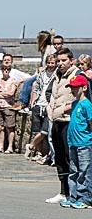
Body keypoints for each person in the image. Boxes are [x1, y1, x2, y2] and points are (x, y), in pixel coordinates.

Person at [45, 47, 80, 204]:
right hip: (56, 120)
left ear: (71, 61)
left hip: (69, 121)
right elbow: (48, 92)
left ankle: (75, 191)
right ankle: (63, 191)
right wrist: (50, 107)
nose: (60, 63)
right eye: (58, 61)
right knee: (59, 158)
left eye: (64, 60)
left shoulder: (77, 75)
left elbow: (83, 96)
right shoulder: (56, 75)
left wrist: (67, 107)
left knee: (69, 157)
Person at [60, 74, 92, 208]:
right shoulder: (74, 104)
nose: (72, 90)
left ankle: (85, 198)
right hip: (73, 143)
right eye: (71, 87)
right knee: (73, 170)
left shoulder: (87, 105)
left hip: (84, 143)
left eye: (75, 87)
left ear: (83, 87)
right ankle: (73, 196)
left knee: (84, 171)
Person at [25, 54, 57, 164]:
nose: (50, 65)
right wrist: (33, 102)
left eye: (53, 63)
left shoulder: (57, 74)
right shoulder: (42, 73)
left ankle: (30, 146)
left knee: (45, 131)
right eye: (49, 63)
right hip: (39, 104)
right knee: (36, 130)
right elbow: (36, 88)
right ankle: (38, 153)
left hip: (48, 105)